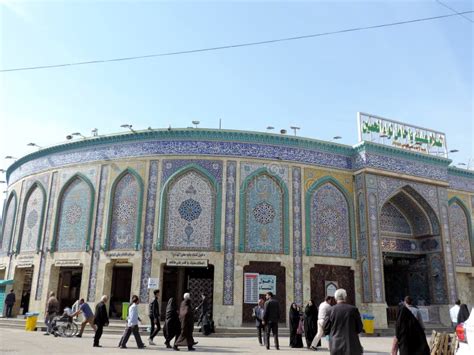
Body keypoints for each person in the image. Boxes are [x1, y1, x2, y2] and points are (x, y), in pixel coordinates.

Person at [323, 289, 363, 355]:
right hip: (352, 346)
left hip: (335, 345)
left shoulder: (330, 310)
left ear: (335, 298)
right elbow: (359, 328)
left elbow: (326, 329)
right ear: (345, 297)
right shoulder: (353, 309)